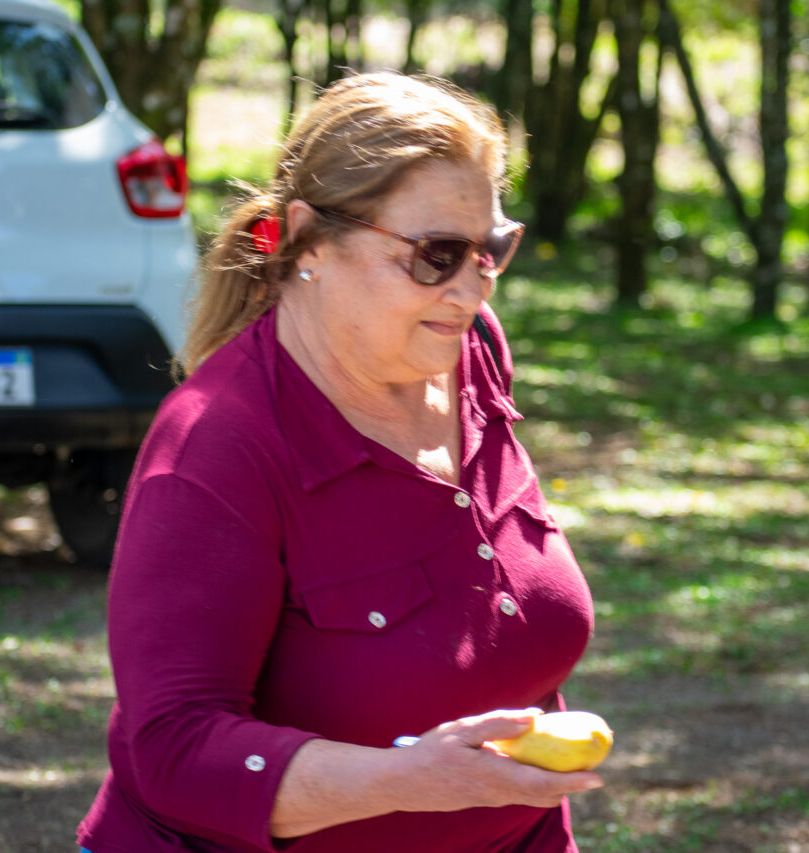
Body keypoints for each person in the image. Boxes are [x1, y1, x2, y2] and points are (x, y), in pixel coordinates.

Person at [76, 72, 600, 853]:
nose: (467, 290)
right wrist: (405, 780)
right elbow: (174, 748)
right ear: (311, 241)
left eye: (489, 251)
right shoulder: (217, 448)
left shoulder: (474, 350)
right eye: (435, 255)